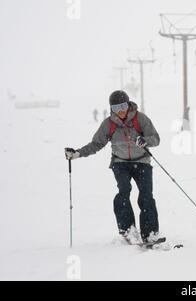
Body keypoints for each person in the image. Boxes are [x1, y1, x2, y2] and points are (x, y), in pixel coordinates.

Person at [65, 90, 161, 244]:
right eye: (116, 108)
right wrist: (78, 153)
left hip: (142, 161)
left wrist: (145, 140)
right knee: (123, 191)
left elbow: (156, 139)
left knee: (146, 195)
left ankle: (150, 233)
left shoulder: (140, 119)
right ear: (111, 109)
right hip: (120, 163)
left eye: (123, 106)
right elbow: (97, 143)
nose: (121, 111)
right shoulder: (109, 124)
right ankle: (128, 230)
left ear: (128, 105)